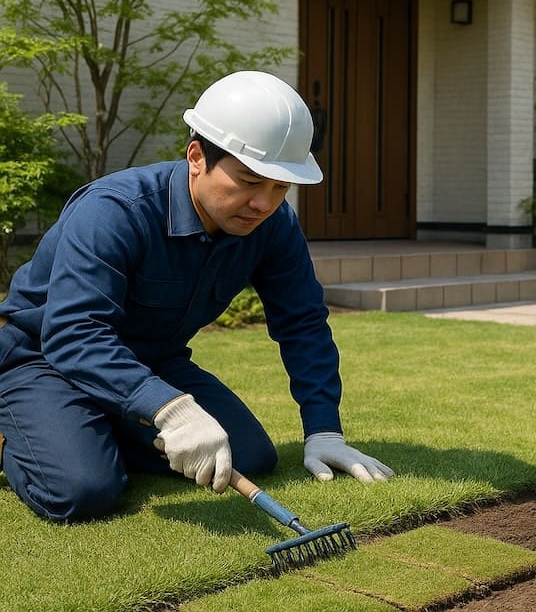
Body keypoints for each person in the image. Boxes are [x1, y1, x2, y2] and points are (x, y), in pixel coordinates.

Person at [0, 70, 393, 522]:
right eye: (249, 181)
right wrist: (168, 409)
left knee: (247, 457)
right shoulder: (113, 212)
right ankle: (22, 435)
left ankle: (94, 427)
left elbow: (302, 322)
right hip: (44, 360)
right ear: (196, 157)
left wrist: (324, 429)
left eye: (280, 186)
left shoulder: (273, 225)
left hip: (152, 362)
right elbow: (73, 334)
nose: (264, 203)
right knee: (83, 490)